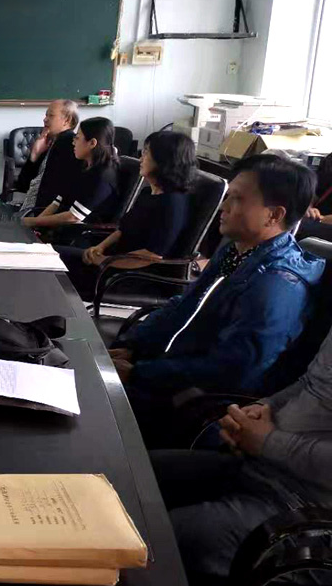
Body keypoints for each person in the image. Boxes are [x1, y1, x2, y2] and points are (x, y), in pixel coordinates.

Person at [111, 155, 324, 441]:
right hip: (170, 373)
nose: (224, 206)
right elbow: (185, 305)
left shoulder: (277, 284)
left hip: (201, 404)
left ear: (274, 215)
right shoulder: (235, 251)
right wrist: (134, 345)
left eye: (237, 199)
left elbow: (231, 370)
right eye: (228, 196)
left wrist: (140, 373)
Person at [150, 325, 332, 582]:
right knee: (136, 475)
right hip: (259, 466)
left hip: (304, 511)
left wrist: (267, 441)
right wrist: (263, 407)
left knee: (155, 535)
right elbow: (311, 384)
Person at [55, 131, 196, 299]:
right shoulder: (148, 193)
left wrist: (105, 261)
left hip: (132, 277)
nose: (141, 158)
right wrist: (100, 247)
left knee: (52, 269)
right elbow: (122, 229)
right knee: (49, 256)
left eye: (146, 153)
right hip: (112, 262)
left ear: (164, 160)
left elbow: (151, 256)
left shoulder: (173, 204)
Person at [21, 117, 119, 230]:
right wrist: (34, 227)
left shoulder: (104, 175)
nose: (73, 142)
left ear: (92, 143)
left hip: (82, 234)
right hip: (61, 229)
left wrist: (31, 222)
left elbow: (73, 217)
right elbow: (57, 202)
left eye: (77, 138)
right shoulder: (82, 166)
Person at [14, 100, 80, 211]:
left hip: (46, 213)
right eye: (46, 115)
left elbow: (52, 191)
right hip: (36, 209)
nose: (45, 119)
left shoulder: (70, 145)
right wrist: (35, 154)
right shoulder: (50, 142)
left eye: (51, 115)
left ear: (67, 120)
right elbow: (23, 185)